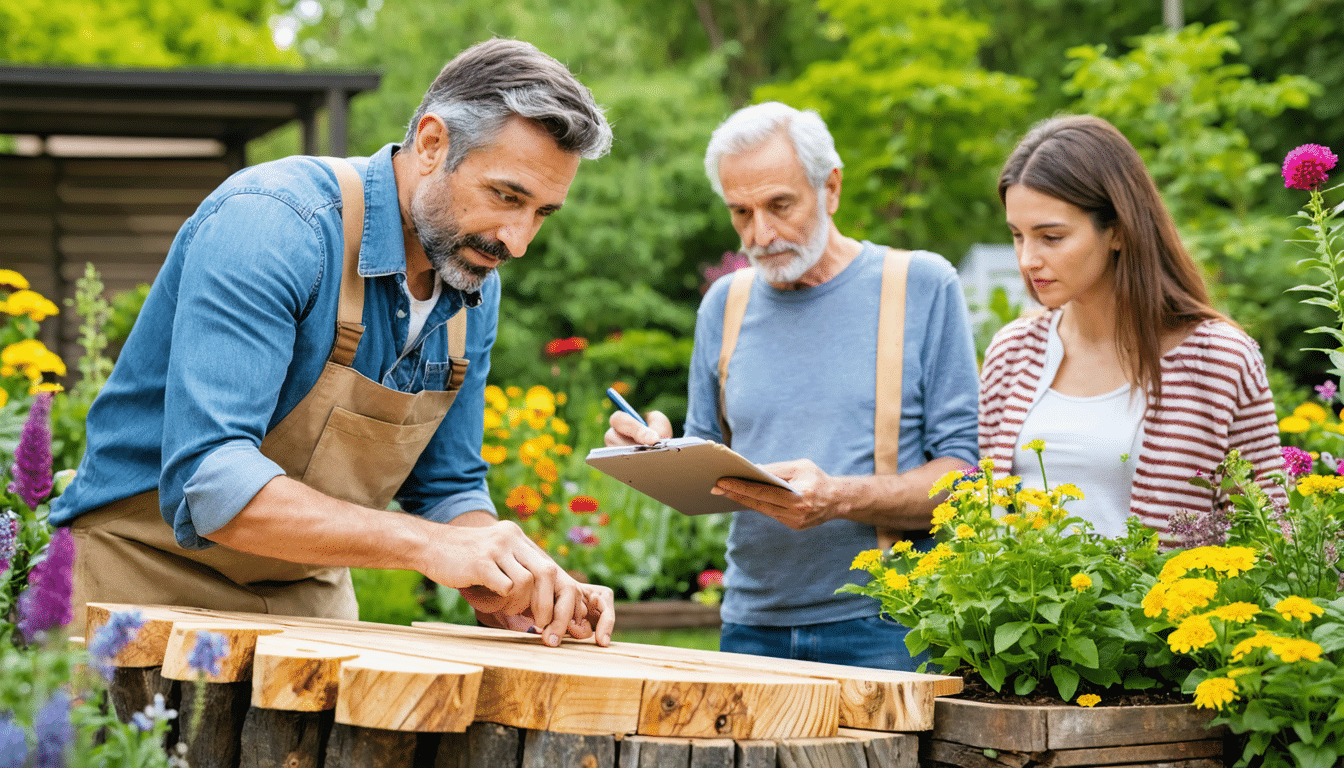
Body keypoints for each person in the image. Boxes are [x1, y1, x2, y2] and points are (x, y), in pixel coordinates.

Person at [51, 38, 616, 646]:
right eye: (506, 196)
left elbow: (448, 487)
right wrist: (432, 546)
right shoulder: (273, 224)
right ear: (431, 144)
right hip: (135, 591)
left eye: (541, 213)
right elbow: (211, 483)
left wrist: (512, 575)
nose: (518, 239)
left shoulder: (470, 274)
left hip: (304, 611)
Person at [605, 102, 980, 670]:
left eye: (780, 205)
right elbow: (711, 476)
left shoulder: (920, 285)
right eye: (740, 212)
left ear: (830, 188)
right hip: (751, 624)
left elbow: (963, 481)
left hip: (889, 623)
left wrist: (839, 498)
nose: (761, 233)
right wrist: (658, 454)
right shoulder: (723, 305)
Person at [979, 114, 1286, 540]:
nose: (1028, 259)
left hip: (1168, 604)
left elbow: (1269, 534)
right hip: (1032, 608)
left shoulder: (1217, 359)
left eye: (1051, 237)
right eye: (1017, 235)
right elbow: (987, 523)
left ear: (1118, 231)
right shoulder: (1011, 352)